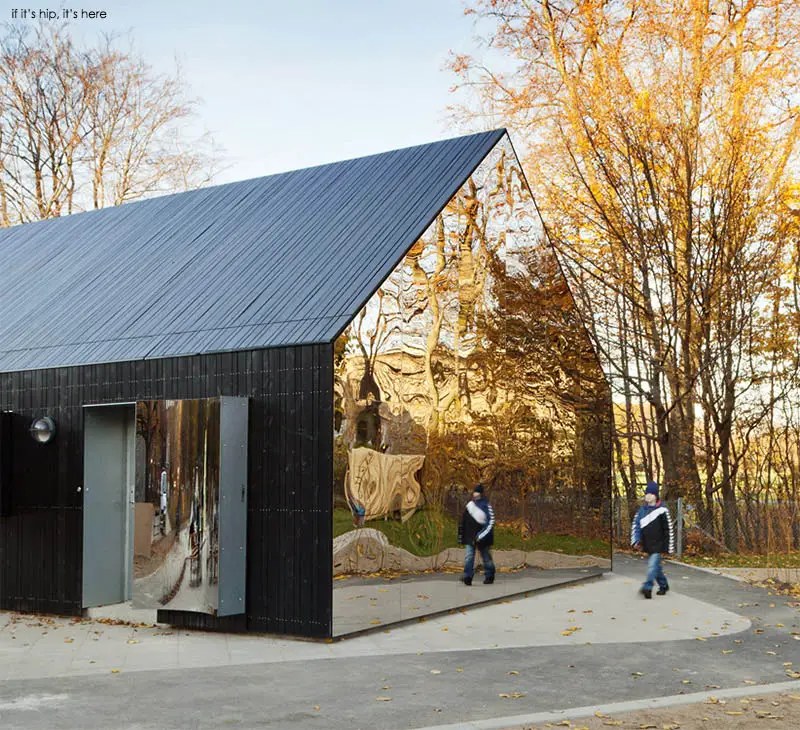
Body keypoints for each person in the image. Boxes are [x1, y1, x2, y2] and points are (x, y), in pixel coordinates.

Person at [631, 481, 675, 599]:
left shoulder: (663, 510)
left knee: (652, 565)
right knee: (656, 567)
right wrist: (636, 540)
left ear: (656, 495)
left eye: (651, 494)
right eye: (647, 494)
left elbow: (668, 529)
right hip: (647, 543)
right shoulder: (642, 511)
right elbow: (636, 526)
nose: (648, 496)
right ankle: (664, 585)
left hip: (658, 544)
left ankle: (647, 587)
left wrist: (669, 547)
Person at [458, 484, 496, 586]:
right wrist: (461, 536)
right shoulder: (469, 505)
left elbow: (491, 522)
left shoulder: (487, 506)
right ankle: (467, 576)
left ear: (481, 494)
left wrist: (481, 535)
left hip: (483, 537)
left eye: (478, 492)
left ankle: (490, 575)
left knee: (486, 557)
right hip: (470, 536)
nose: (476, 494)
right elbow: (463, 521)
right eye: (475, 492)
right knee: (469, 556)